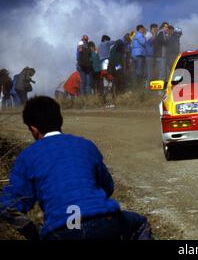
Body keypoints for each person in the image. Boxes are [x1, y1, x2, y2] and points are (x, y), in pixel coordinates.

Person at [0, 96, 152, 240]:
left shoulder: (27, 156)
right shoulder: (85, 145)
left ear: (33, 129)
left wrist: (34, 233)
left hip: (61, 230)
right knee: (140, 224)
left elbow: (8, 206)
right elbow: (108, 187)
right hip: (105, 221)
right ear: (60, 119)